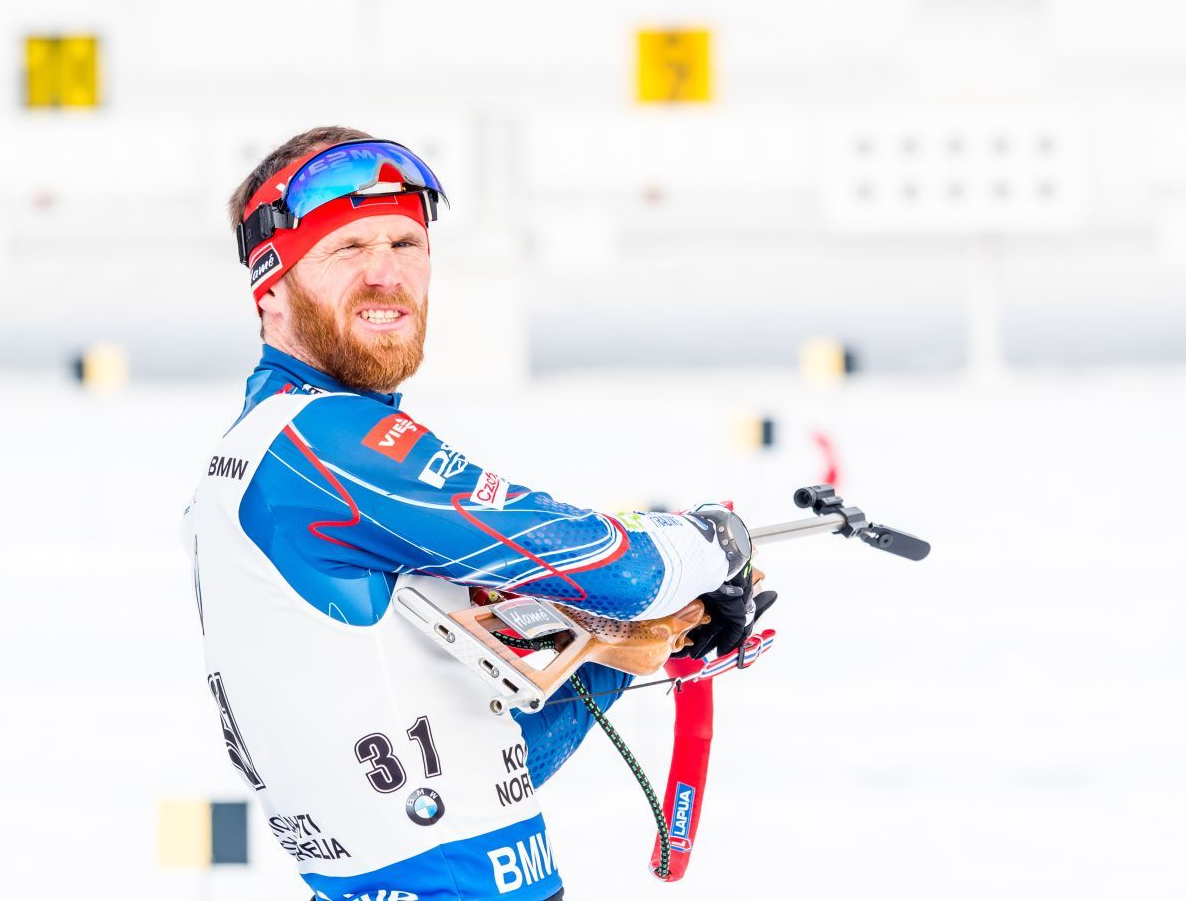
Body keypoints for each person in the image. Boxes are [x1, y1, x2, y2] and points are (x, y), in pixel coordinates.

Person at [182, 126, 773, 901]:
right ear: (271, 287)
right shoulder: (320, 444)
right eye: (348, 248)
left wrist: (622, 648)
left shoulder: (263, 457)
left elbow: (482, 768)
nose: (386, 273)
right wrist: (713, 540)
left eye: (406, 243)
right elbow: (622, 568)